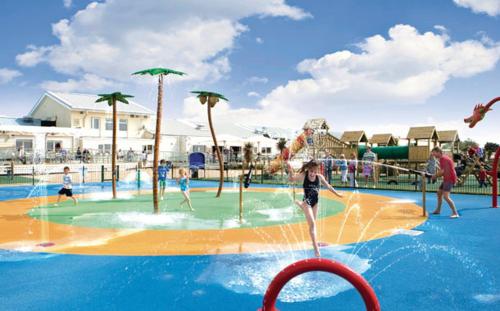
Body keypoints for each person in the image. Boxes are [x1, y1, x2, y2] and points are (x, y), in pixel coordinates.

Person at [286, 160, 343, 257]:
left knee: (313, 225)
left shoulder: (319, 177)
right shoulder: (304, 175)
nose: (312, 174)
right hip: (307, 202)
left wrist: (338, 194)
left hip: (315, 203)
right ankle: (316, 249)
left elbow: (328, 186)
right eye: (311, 171)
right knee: (312, 224)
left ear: (317, 171)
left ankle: (300, 204)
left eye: (314, 172)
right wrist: (290, 169)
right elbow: (291, 179)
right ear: (308, 170)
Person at [431, 146, 459, 218]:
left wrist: (435, 176)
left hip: (449, 179)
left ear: (438, 152)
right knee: (439, 193)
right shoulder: (443, 158)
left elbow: (442, 171)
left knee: (446, 197)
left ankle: (455, 213)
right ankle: (438, 210)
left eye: (434, 153)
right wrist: (436, 175)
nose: (433, 155)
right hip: (447, 178)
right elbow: (444, 171)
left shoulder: (443, 159)